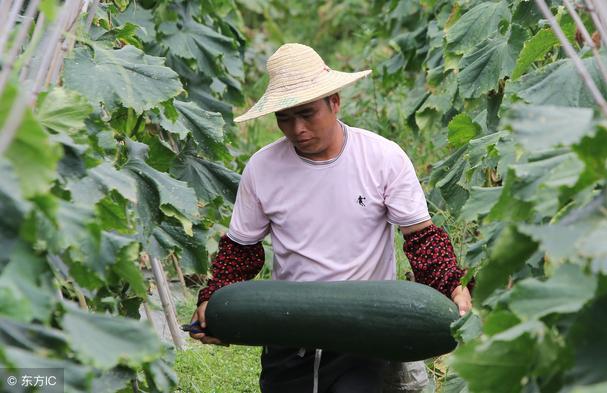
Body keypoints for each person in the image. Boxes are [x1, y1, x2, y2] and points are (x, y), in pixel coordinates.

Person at [189, 43, 473, 393]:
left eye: (307, 114)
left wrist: (453, 286)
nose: (297, 129)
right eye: (284, 117)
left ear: (334, 102)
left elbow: (421, 238)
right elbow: (241, 249)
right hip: (290, 330)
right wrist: (213, 298)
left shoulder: (383, 158)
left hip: (367, 329)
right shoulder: (262, 168)